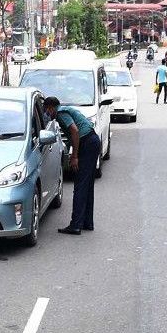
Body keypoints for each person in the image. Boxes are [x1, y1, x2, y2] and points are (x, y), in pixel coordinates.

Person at [44, 97, 101, 235]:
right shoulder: (65, 110)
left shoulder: (61, 113)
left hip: (87, 143)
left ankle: (75, 225)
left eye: (46, 110)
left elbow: (74, 131)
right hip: (92, 142)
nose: (46, 113)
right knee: (87, 186)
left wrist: (74, 156)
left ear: (51, 108)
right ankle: (87, 222)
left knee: (80, 186)